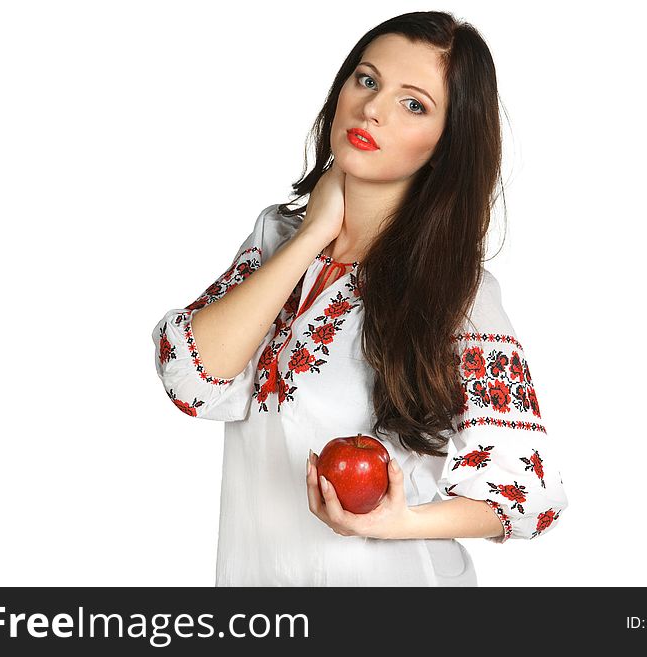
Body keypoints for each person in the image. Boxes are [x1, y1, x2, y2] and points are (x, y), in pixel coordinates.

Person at [152, 11, 568, 586]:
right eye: (367, 80)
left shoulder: (457, 293)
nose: (373, 108)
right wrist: (315, 233)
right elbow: (191, 380)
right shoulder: (277, 241)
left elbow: (528, 494)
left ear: (445, 146)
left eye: (414, 104)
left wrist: (395, 523)